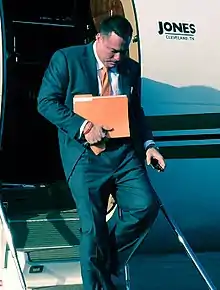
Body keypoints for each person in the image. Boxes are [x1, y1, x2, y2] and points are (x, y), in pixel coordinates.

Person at [37, 14, 166, 290]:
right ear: (99, 38)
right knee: (92, 230)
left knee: (145, 206)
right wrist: (83, 127)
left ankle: (105, 260)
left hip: (123, 155)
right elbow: (45, 102)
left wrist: (149, 145)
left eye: (123, 51)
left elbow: (136, 112)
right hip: (85, 157)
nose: (118, 57)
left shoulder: (130, 69)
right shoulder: (67, 60)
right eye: (113, 50)